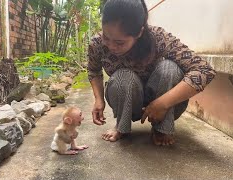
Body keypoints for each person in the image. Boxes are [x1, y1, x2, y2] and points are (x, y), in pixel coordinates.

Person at [87, 0, 216, 145]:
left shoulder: (158, 38)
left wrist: (162, 103)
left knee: (169, 68)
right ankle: (121, 127)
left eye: (119, 42)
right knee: (122, 76)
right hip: (127, 100)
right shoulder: (97, 44)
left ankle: (162, 129)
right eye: (106, 36)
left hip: (163, 102)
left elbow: (204, 70)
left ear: (139, 33)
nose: (110, 46)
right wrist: (99, 100)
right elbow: (93, 70)